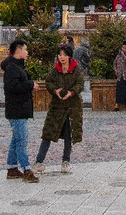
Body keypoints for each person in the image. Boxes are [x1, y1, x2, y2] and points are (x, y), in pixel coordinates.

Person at [34, 44, 83, 175]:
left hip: (71, 107)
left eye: (64, 55)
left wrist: (72, 92)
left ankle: (66, 161)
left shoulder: (76, 69)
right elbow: (48, 82)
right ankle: (39, 161)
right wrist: (55, 90)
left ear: (69, 56)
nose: (62, 57)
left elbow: (80, 83)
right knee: (48, 133)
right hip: (57, 106)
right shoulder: (55, 70)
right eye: (60, 55)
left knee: (68, 135)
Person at [1, 38, 40, 182]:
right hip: (16, 109)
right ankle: (26, 169)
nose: (27, 52)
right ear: (18, 51)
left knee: (16, 140)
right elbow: (13, 87)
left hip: (20, 108)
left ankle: (12, 168)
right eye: (25, 49)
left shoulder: (17, 66)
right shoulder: (12, 68)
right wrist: (30, 84)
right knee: (22, 140)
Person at [113, 41, 126, 111]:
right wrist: (116, 71)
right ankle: (117, 105)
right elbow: (114, 64)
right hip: (120, 76)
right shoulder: (118, 56)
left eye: (125, 48)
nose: (123, 49)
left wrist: (124, 56)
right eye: (122, 47)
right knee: (119, 90)